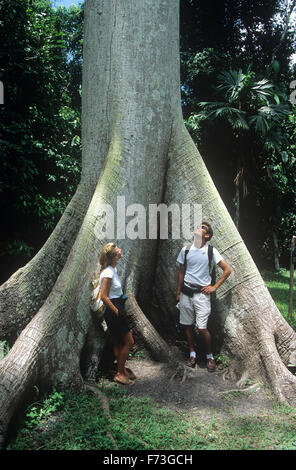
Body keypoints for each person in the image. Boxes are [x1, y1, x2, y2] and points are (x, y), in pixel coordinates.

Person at [176, 222, 231, 372]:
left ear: (207, 236)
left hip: (202, 295)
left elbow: (227, 270)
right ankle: (192, 354)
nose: (198, 228)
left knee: (202, 328)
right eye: (198, 226)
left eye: (203, 228)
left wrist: (214, 287)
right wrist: (178, 292)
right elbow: (181, 271)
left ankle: (209, 356)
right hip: (186, 292)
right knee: (187, 325)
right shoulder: (186, 250)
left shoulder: (211, 251)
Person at [98, 242, 136, 385]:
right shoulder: (108, 272)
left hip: (117, 307)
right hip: (114, 309)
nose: (120, 249)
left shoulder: (112, 269)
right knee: (129, 342)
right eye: (117, 249)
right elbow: (103, 296)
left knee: (119, 343)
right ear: (114, 256)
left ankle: (122, 370)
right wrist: (117, 311)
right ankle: (119, 373)